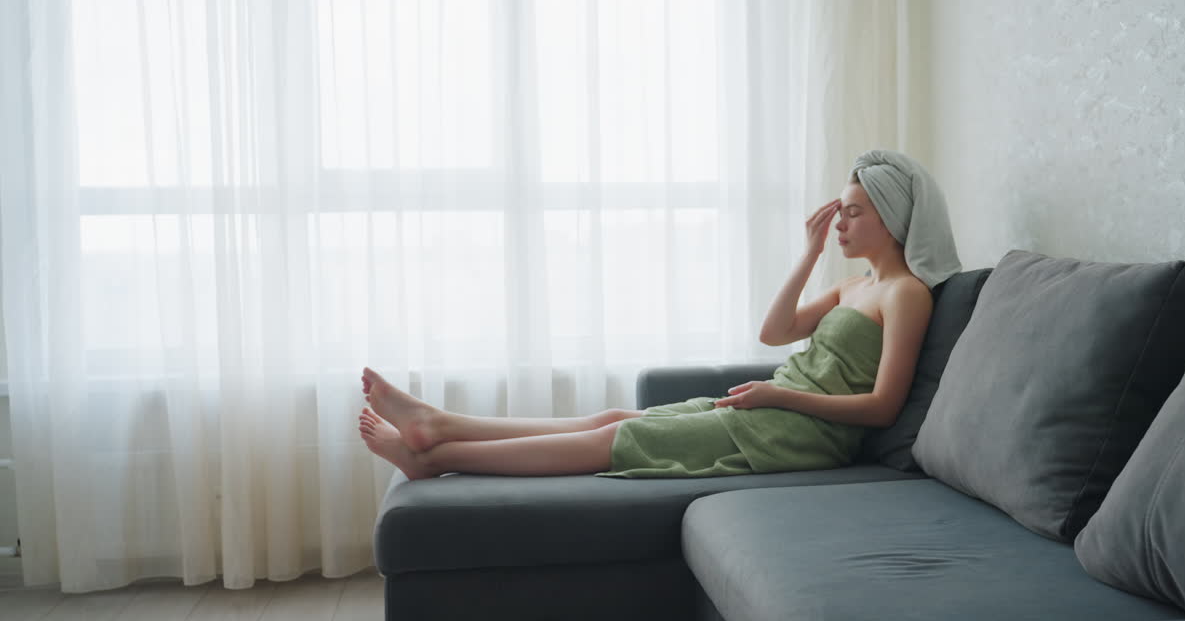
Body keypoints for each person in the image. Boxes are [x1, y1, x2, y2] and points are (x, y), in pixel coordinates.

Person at [358, 149, 962, 480]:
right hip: (772, 410)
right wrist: (807, 256)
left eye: (854, 212)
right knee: (615, 414)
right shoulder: (855, 285)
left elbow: (882, 407)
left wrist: (780, 399)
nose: (839, 222)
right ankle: (439, 425)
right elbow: (773, 332)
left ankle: (432, 456)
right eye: (840, 212)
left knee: (620, 437)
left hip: (804, 434)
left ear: (891, 216)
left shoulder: (907, 294)